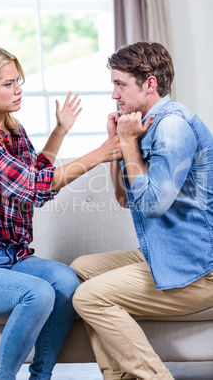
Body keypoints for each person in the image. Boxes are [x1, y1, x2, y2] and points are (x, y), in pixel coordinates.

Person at [0, 45, 121, 380]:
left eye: (18, 81)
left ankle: (40, 377)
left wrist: (60, 130)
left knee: (66, 282)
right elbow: (34, 185)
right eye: (8, 84)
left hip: (14, 258)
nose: (19, 89)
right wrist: (98, 154)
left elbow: (34, 189)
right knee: (37, 292)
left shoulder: (14, 132)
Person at [71, 41, 213, 380]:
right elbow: (125, 198)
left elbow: (150, 206)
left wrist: (129, 143)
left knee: (89, 297)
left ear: (150, 83)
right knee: (79, 270)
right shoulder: (142, 125)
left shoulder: (172, 127)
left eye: (120, 84)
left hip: (199, 269)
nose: (113, 95)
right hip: (170, 254)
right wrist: (118, 145)